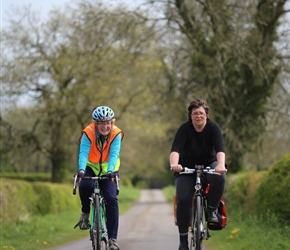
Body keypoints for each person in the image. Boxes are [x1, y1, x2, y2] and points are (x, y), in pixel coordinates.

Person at [169, 99, 226, 250]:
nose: (198, 116)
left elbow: (220, 149)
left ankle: (212, 211)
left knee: (219, 177)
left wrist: (220, 165)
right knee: (183, 199)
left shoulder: (213, 128)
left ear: (206, 114)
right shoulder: (184, 129)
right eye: (195, 113)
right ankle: (182, 240)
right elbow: (175, 149)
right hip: (186, 168)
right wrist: (175, 165)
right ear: (190, 115)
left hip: (209, 165)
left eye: (201, 113)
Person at [76, 106, 124, 250]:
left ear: (112, 122)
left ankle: (113, 240)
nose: (105, 126)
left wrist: (110, 171)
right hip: (91, 167)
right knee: (84, 186)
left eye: (108, 122)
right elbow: (83, 152)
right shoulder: (88, 132)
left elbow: (114, 154)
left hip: (109, 169)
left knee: (111, 199)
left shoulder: (116, 133)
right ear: (95, 123)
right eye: (101, 123)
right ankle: (85, 213)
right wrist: (81, 170)